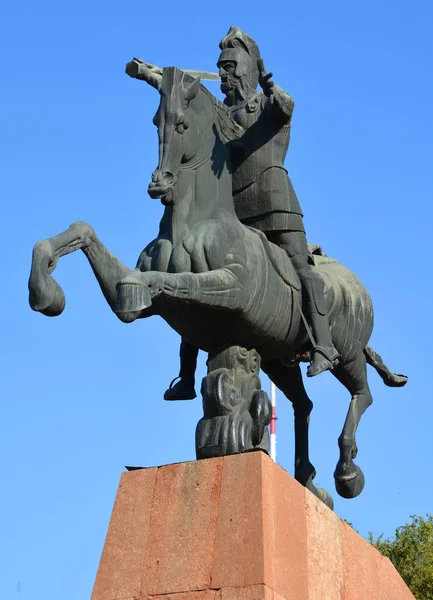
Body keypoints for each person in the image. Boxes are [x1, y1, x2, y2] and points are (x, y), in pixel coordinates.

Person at [164, 26, 339, 401]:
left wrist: (274, 88)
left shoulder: (266, 104)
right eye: (220, 68)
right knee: (200, 275)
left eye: (230, 67)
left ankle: (323, 344)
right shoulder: (220, 113)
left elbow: (287, 106)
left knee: (302, 267)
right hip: (235, 210)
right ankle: (185, 375)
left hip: (275, 203)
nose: (224, 74)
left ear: (246, 68)